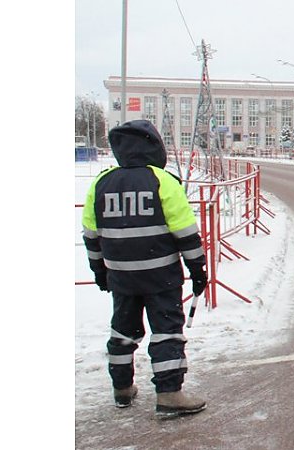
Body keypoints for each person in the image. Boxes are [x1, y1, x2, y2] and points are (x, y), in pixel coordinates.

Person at [82, 119, 208, 417]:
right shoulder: (163, 181)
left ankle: (122, 389)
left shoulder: (101, 183)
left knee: (123, 331)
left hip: (121, 277)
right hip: (161, 277)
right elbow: (186, 233)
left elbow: (91, 234)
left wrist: (99, 271)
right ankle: (169, 394)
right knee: (166, 332)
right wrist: (197, 270)